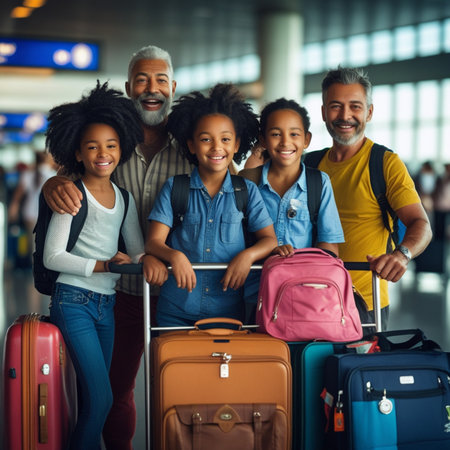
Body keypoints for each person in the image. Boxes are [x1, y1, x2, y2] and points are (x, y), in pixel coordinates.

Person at [41, 45, 192, 450]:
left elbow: (230, 181)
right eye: (142, 80)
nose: (151, 88)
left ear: (173, 88)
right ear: (128, 88)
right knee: (114, 393)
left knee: (184, 390)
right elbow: (64, 184)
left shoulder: (193, 150)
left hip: (180, 294)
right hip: (118, 295)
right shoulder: (106, 147)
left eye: (161, 80)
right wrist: (50, 184)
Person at [305, 66, 432, 330]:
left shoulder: (384, 163)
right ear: (323, 112)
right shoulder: (309, 164)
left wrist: (401, 255)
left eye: (355, 106)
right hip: (308, 300)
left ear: (369, 112)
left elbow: (421, 224)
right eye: (336, 106)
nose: (345, 116)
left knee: (355, 373)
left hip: (364, 305)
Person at [145, 83, 277, 326]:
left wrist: (248, 256)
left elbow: (270, 240)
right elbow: (153, 242)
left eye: (225, 139)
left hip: (228, 313)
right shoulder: (175, 188)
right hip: (175, 311)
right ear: (192, 145)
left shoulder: (246, 191)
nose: (217, 147)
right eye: (206, 139)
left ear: (236, 145)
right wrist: (174, 256)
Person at [239, 98, 344, 320]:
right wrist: (267, 252)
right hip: (252, 297)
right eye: (276, 134)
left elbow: (329, 246)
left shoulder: (318, 183)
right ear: (263, 140)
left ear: (307, 140)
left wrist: (302, 265)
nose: (285, 142)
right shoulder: (247, 183)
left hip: (302, 297)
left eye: (295, 134)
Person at [7, 150, 57, 265]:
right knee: (45, 242)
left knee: (32, 243)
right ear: (47, 159)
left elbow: (18, 194)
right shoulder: (52, 175)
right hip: (46, 213)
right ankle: (43, 267)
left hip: (29, 212)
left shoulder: (28, 174)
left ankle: (33, 266)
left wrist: (14, 208)